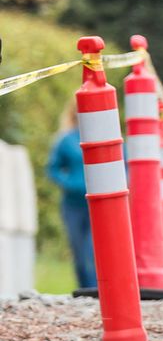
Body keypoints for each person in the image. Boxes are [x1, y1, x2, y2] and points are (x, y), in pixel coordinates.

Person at [47, 101, 95, 289]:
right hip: (73, 205)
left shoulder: (103, 135)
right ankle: (85, 290)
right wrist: (70, 184)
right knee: (79, 252)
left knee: (93, 249)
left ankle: (98, 289)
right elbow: (53, 169)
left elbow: (122, 164)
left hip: (98, 205)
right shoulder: (65, 140)